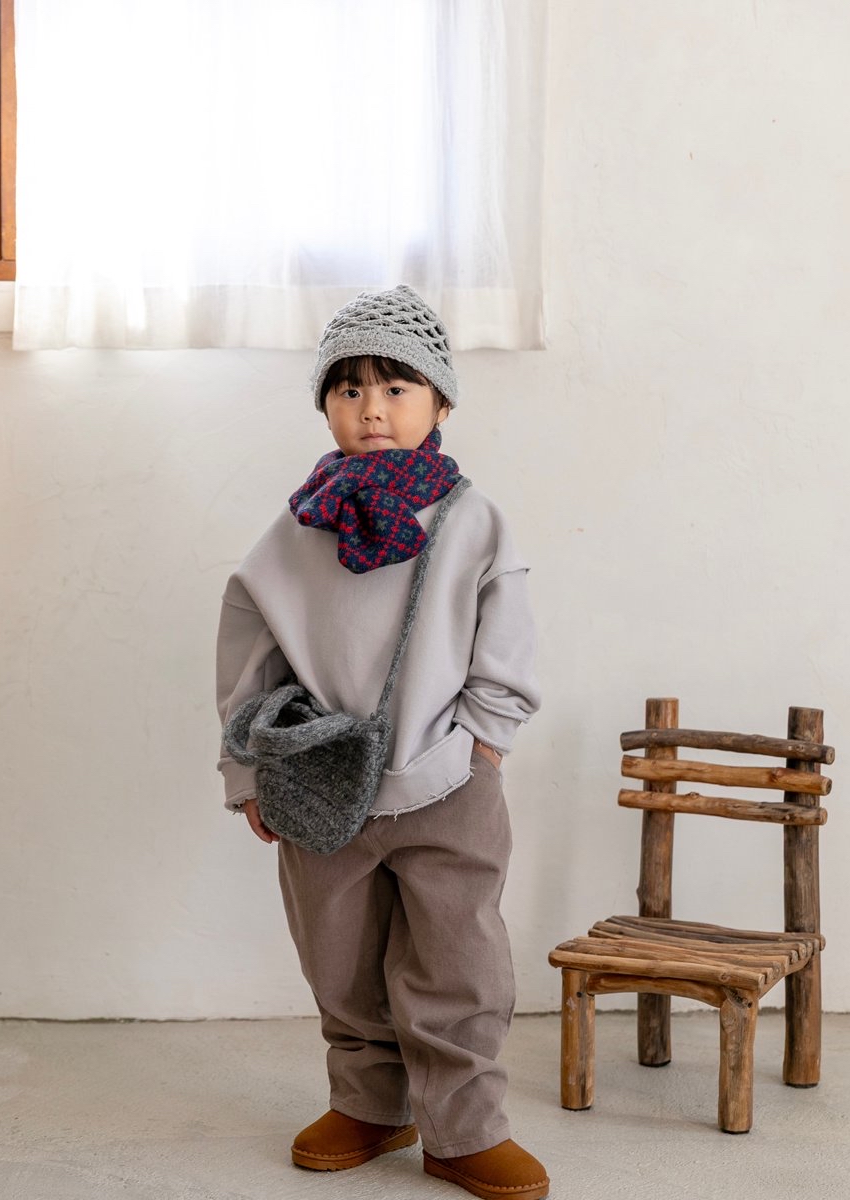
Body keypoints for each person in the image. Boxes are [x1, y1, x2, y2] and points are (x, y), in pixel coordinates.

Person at [215, 285, 547, 1200]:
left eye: (397, 387)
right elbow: (250, 652)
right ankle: (370, 1104)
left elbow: (506, 643)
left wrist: (483, 747)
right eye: (349, 388)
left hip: (449, 782)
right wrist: (250, 772)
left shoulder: (472, 521)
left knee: (459, 959)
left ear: (441, 404)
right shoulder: (296, 530)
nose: (372, 408)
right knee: (339, 956)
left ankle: (465, 1127)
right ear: (325, 404)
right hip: (320, 784)